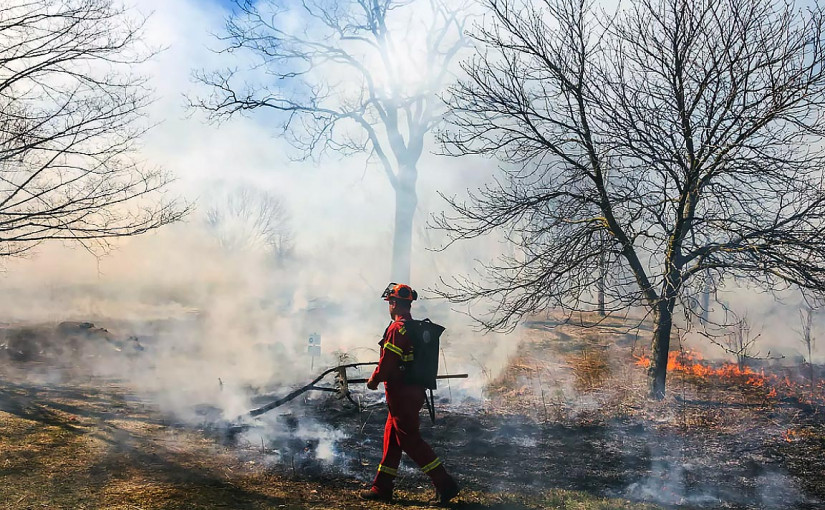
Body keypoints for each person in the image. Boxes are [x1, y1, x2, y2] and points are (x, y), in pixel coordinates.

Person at [360, 283, 459, 506]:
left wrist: (374, 379)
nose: (389, 306)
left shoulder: (397, 329)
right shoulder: (413, 327)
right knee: (392, 438)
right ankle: (381, 487)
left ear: (393, 304)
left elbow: (387, 363)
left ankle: (445, 484)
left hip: (401, 393)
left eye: (390, 303)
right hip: (411, 391)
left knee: (410, 440)